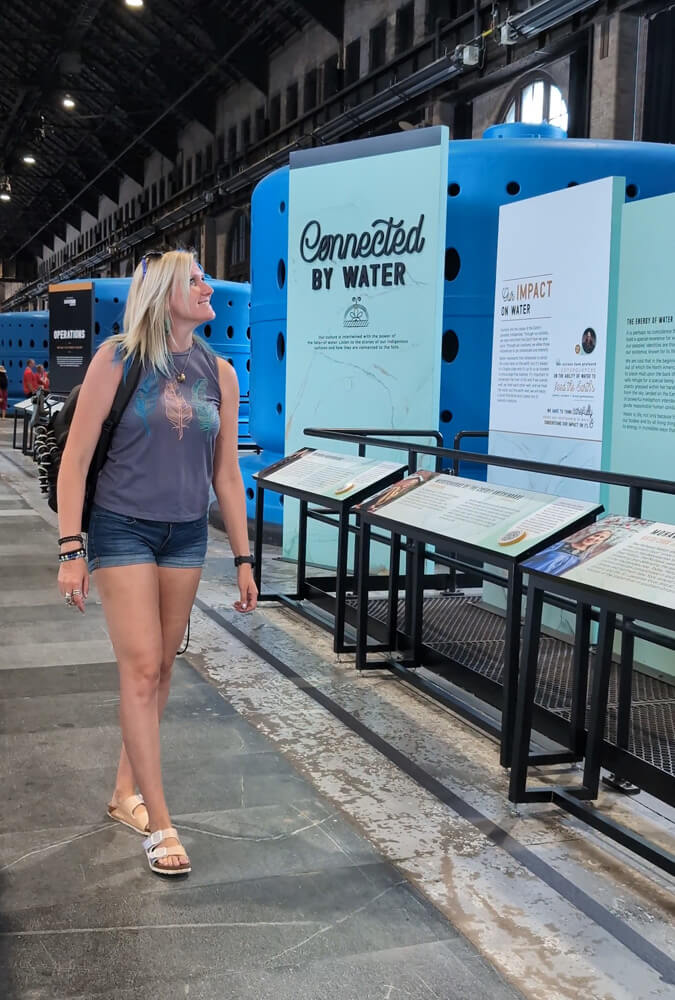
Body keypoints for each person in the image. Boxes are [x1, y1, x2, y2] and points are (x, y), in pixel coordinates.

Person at [56, 249, 258, 878]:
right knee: (141, 667)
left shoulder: (217, 371)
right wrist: (71, 548)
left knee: (161, 669)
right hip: (122, 530)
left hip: (186, 537)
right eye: (195, 279)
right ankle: (161, 823)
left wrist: (245, 558)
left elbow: (225, 473)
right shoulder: (116, 359)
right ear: (164, 291)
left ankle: (124, 794)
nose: (207, 287)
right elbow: (76, 459)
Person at [524, 527, 613, 576]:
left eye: (601, 538)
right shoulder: (560, 544)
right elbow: (534, 556)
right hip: (529, 572)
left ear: (601, 542)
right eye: (596, 535)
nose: (595, 538)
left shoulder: (584, 557)